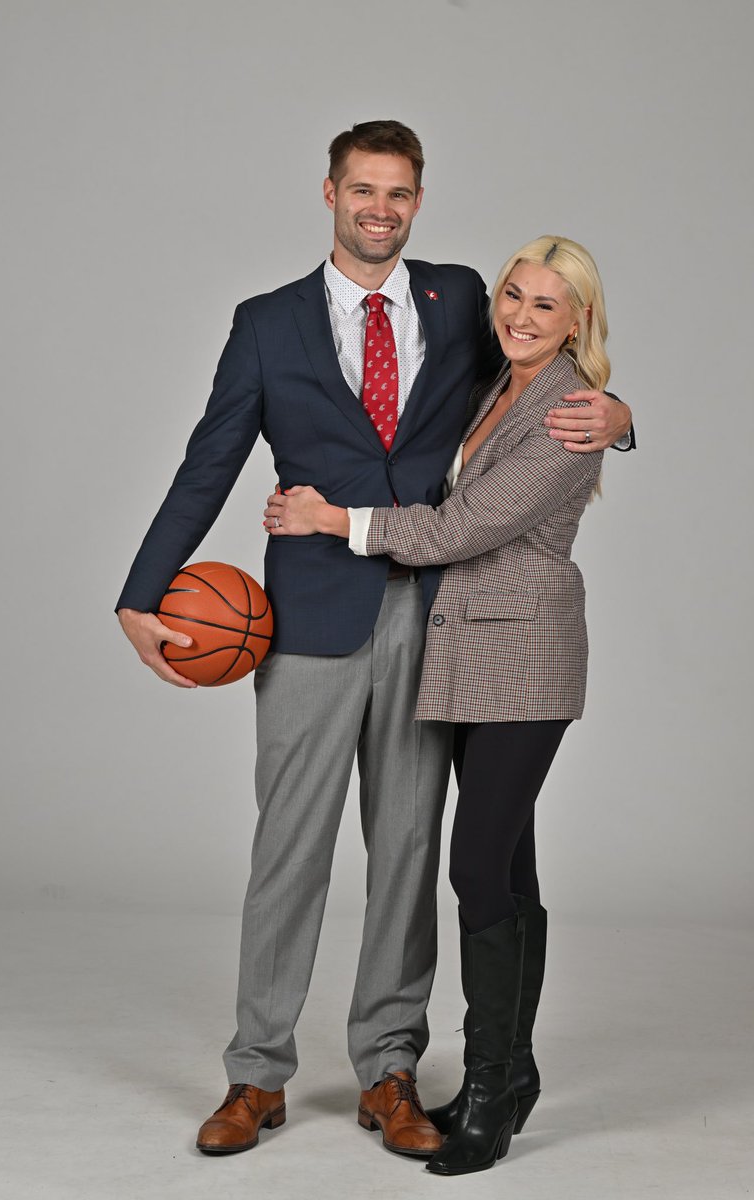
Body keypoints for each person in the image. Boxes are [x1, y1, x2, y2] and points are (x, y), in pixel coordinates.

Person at [116, 123, 631, 1159]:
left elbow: (547, 374)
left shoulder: (460, 301)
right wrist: (140, 589)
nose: (379, 210)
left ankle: (389, 1066)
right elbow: (207, 460)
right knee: (288, 853)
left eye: (398, 193)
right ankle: (255, 1074)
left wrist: (617, 412)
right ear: (329, 194)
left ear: (416, 201)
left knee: (404, 851)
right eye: (362, 190)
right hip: (307, 617)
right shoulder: (266, 325)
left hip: (430, 617)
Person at [263, 234, 615, 1174]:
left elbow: (464, 526)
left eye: (547, 305)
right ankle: (520, 1066)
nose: (522, 315)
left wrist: (331, 518)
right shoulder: (492, 383)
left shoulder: (567, 411)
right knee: (512, 867)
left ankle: (493, 1095)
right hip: (461, 657)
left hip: (524, 660)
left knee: (474, 869)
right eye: (513, 295)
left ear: (579, 318)